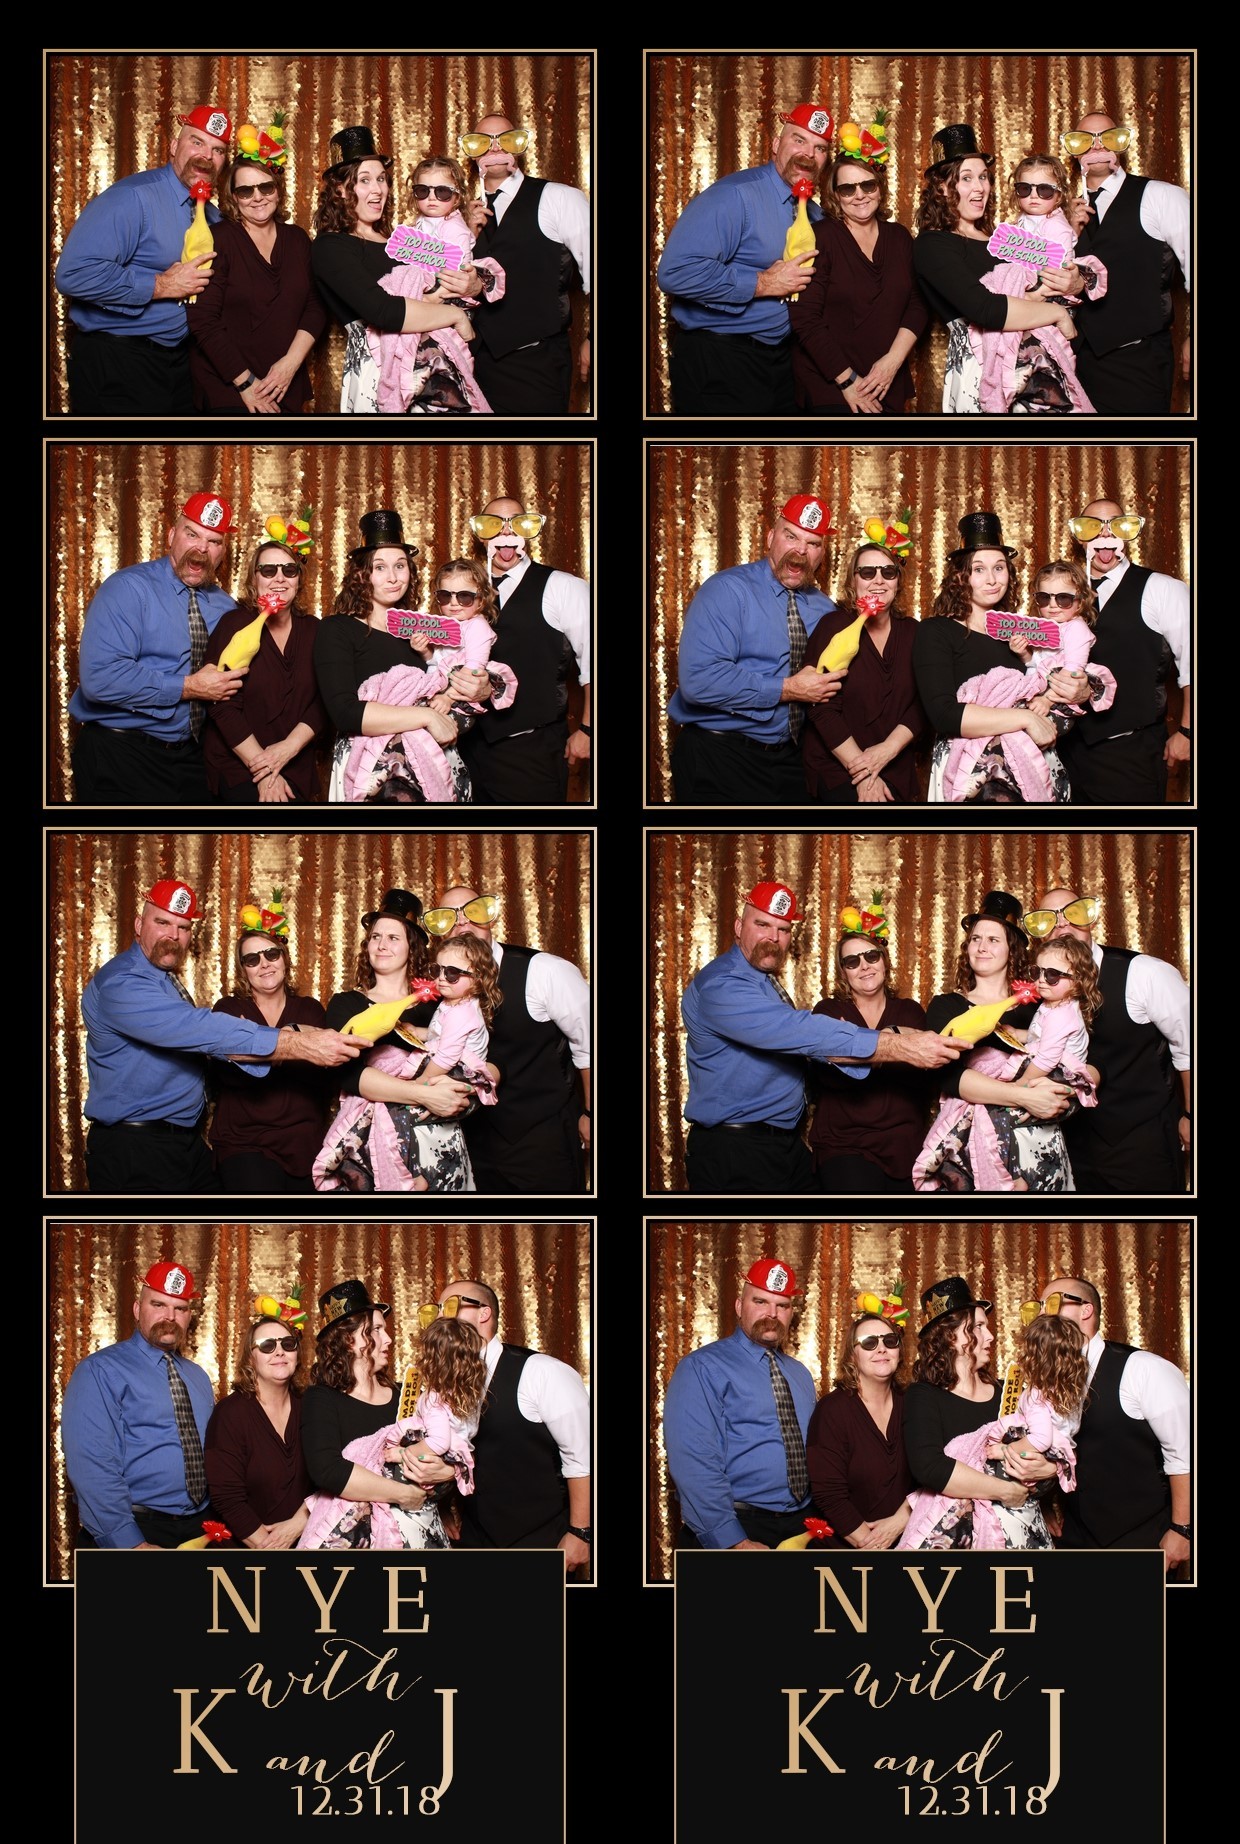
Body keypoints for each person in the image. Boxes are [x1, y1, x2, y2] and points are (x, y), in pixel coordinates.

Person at [81, 877, 362, 1194]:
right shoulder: (123, 982)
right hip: (135, 1146)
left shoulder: (162, 980)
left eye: (183, 927)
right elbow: (199, 1030)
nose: (173, 935)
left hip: (184, 1144)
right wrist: (298, 1042)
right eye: (162, 923)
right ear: (138, 924)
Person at [680, 879, 960, 1195]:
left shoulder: (763, 982)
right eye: (762, 924)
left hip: (783, 1147)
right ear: (737, 926)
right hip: (734, 1149)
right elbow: (798, 1032)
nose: (773, 937)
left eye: (783, 929)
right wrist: (900, 1044)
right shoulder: (723, 984)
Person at [69, 490, 247, 805]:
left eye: (214, 541)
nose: (201, 548)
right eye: (192, 534)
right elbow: (99, 678)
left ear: (223, 550)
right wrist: (190, 687)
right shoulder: (127, 589)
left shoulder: (225, 608)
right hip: (120, 755)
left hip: (191, 760)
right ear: (171, 535)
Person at [668, 493, 846, 806]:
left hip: (791, 762)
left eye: (813, 543)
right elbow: (698, 680)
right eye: (791, 536)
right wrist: (789, 689)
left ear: (821, 552)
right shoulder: (727, 590)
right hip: (719, 757)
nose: (800, 550)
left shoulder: (825, 610)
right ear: (770, 537)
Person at [54, 103, 230, 415]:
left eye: (218, 150)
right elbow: (73, 274)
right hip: (118, 361)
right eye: (197, 142)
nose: (206, 156)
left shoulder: (213, 217)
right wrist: (161, 285)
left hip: (179, 365)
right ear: (174, 146)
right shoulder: (133, 197)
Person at [657, 104, 832, 414]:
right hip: (721, 359)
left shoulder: (815, 214)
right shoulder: (735, 195)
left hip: (782, 363)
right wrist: (763, 283)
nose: (809, 154)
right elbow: (676, 272)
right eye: (799, 140)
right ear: (776, 144)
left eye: (820, 148)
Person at [426, 885, 591, 1193]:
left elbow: (590, 1047)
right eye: (448, 918)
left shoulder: (544, 971)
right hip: (471, 1143)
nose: (462, 923)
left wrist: (591, 1114)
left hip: (541, 1139)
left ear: (489, 916)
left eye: (473, 911)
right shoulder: (442, 981)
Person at [314, 508, 487, 801]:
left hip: (434, 763)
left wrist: (481, 686)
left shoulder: (421, 632)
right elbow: (345, 713)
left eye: (400, 565)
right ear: (361, 573)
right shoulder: (337, 629)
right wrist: (426, 717)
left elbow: (454, 678)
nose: (393, 577)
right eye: (380, 567)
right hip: (373, 773)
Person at [1026, 887, 1190, 1194]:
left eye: (1072, 913)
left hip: (1141, 1140)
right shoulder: (1043, 983)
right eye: (1048, 919)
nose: (1062, 924)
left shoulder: (1144, 973)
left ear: (1089, 918)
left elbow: (1189, 1048)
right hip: (1074, 1144)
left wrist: (1191, 1115)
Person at [316, 888, 479, 1193]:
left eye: (393, 938)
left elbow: (472, 1062)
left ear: (411, 947)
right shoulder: (346, 1003)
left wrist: (462, 1094)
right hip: (374, 1144)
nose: (382, 945)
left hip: (440, 1142)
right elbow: (349, 1075)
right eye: (376, 937)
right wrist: (424, 1094)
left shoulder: (438, 1004)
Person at [911, 124, 1080, 413]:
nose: (979, 187)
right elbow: (984, 309)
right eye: (966, 178)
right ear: (942, 187)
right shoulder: (932, 244)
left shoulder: (1000, 238)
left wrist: (1072, 271)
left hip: (1038, 369)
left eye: (983, 177)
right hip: (982, 373)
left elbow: (1051, 269)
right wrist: (1057, 313)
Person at [309, 125, 478, 413]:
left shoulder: (398, 241)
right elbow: (383, 311)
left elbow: (450, 271)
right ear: (340, 189)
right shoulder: (330, 246)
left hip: (436, 370)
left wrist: (469, 258)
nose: (377, 189)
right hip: (381, 374)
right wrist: (455, 315)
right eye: (364, 180)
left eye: (381, 179)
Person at [428, 1277, 592, 1568]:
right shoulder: (445, 1382)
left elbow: (583, 1459)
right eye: (437, 1309)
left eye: (451, 1306)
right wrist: (441, 1508)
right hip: (475, 1539)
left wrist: (580, 1533)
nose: (441, 1317)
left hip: (541, 1539)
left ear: (484, 1313)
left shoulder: (542, 1372)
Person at [913, 511, 1075, 802]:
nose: (991, 580)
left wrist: (1077, 685)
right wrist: (1025, 718)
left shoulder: (1020, 633)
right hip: (970, 776)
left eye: (999, 568)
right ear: (960, 576)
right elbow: (944, 715)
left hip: (1031, 767)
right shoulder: (935, 631)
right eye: (979, 569)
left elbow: (1048, 683)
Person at [920, 890, 1075, 1191]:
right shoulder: (946, 1006)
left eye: (993, 940)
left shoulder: (1038, 1007)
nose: (982, 947)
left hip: (1039, 1141)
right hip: (972, 1143)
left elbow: (1069, 1061)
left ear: (1011, 949)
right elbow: (949, 1077)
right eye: (976, 939)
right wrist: (1023, 1095)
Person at [900, 1301, 1084, 1550]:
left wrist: (1050, 1469)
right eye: (978, 1326)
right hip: (961, 1539)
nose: (990, 1336)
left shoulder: (1010, 1392)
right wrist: (1005, 1491)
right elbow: (930, 1468)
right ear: (950, 1336)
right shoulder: (924, 1395)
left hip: (1019, 1534)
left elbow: (1051, 1446)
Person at [1037, 1276, 1191, 1571]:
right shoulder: (1048, 1379)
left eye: (1054, 1303)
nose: (1044, 1314)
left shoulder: (1144, 1369)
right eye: (1039, 1306)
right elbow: (1052, 1451)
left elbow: (1185, 1454)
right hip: (1077, 1536)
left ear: (1086, 1310)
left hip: (1143, 1535)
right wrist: (1043, 1505)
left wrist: (1183, 1530)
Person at [338, 556, 517, 803]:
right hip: (439, 698)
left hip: (460, 705)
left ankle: (382, 772)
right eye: (445, 596)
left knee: (414, 741)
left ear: (482, 599)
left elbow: (471, 673)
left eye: (464, 597)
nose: (453, 603)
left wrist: (448, 697)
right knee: (410, 738)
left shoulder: (477, 628)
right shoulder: (443, 626)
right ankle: (384, 772)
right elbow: (438, 667)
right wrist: (425, 653)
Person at [935, 557, 1114, 804]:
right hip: (1032, 706)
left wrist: (1048, 699)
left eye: (1063, 599)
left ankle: (986, 775)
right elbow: (1038, 669)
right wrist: (1025, 655)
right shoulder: (1036, 628)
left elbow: (1070, 675)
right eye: (1044, 598)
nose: (1053, 605)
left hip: (1055, 711)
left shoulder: (1075, 629)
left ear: (1080, 601)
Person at [665, 1256, 816, 1548]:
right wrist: (734, 1541)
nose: (772, 1313)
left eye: (782, 1305)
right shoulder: (702, 1367)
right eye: (760, 1301)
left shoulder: (800, 1374)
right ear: (738, 1306)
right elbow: (695, 1462)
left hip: (799, 1525)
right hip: (738, 1524)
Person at [62, 1260, 215, 1548]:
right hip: (137, 1527)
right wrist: (130, 1543)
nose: (170, 1316)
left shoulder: (198, 1377)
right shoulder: (100, 1370)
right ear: (137, 1309)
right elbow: (92, 1465)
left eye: (180, 1308)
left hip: (198, 1527)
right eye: (158, 1304)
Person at [300, 1314, 486, 1549]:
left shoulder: (408, 1394)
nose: (388, 1339)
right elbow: (328, 1471)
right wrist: (403, 1494)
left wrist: (448, 1472)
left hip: (420, 1533)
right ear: (348, 1340)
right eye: (376, 1329)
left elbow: (453, 1446)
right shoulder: (322, 1398)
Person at [186, 115, 327, 413]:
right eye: (246, 191)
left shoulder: (297, 239)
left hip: (284, 382)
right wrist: (246, 384)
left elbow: (316, 306)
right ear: (233, 197)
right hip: (229, 386)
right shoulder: (218, 239)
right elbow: (202, 320)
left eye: (266, 187)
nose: (257, 197)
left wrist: (290, 364)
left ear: (278, 189)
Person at [790, 121, 928, 414]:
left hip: (886, 380)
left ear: (879, 187)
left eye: (867, 185)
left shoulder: (900, 237)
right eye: (847, 189)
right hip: (831, 384)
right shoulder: (820, 237)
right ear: (835, 194)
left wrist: (892, 362)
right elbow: (805, 318)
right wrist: (847, 381)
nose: (860, 195)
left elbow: (918, 303)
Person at [1059, 500, 1191, 805]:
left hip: (1131, 752)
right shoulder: (1063, 592)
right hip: (1065, 750)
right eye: (1094, 527)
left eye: (1116, 525)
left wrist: (1188, 732)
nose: (1105, 535)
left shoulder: (1163, 589)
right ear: (1080, 536)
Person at [461, 498, 591, 803]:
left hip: (532, 749)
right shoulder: (464, 589)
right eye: (495, 525)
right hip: (466, 747)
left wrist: (589, 729)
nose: (506, 533)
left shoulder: (564, 587)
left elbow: (593, 665)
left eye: (517, 524)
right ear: (482, 534)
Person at [462, 112, 592, 415]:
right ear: (472, 152)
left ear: (519, 146)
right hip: (471, 365)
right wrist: (464, 235)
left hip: (536, 362)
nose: (495, 147)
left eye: (505, 139)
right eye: (483, 141)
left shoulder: (560, 198)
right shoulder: (459, 215)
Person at [1063, 112, 1191, 415]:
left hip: (1138, 361)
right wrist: (1066, 232)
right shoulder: (1061, 213)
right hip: (1074, 365)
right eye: (1085, 140)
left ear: (1121, 144)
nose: (1097, 146)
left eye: (1107, 137)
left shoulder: (1162, 196)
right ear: (1074, 151)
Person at [808, 897, 930, 1192]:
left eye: (871, 956)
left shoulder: (910, 1011)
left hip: (906, 1144)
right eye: (852, 961)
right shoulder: (827, 1010)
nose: (864, 966)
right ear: (843, 972)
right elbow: (828, 1076)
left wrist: (863, 1046)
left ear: (884, 960)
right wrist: (896, 1044)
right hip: (844, 1144)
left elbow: (921, 1077)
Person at [202, 513, 327, 801]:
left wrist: (288, 749)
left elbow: (325, 701)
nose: (279, 578)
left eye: (289, 570)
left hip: (295, 764)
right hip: (240, 765)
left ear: (299, 579)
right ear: (254, 579)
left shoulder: (315, 630)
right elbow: (221, 706)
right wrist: (265, 770)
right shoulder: (234, 625)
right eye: (268, 570)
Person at [210, 896, 330, 1192]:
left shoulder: (310, 1009)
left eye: (271, 954)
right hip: (244, 1142)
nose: (264, 964)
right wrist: (296, 1043)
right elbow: (228, 1073)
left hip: (306, 1142)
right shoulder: (227, 1008)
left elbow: (322, 1075)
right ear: (244, 969)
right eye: (252, 959)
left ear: (284, 958)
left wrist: (263, 1043)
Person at [802, 515, 925, 802]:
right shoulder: (833, 627)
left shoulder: (915, 632)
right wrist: (864, 773)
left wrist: (888, 750)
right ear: (853, 580)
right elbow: (821, 709)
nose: (878, 580)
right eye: (868, 572)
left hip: (895, 766)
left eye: (888, 572)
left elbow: (924, 703)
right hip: (839, 767)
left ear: (898, 581)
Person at [971, 152, 1106, 413]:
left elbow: (1058, 275)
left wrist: (1029, 296)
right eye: (1025, 189)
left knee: (1039, 362)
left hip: (1049, 296)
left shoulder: (1057, 227)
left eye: (1044, 190)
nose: (1033, 196)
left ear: (1059, 194)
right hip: (1026, 296)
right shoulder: (1019, 223)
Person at [373, 154, 505, 413]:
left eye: (442, 192)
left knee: (437, 360)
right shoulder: (418, 225)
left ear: (457, 196)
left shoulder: (455, 229)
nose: (431, 198)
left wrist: (424, 295)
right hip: (426, 297)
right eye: (423, 191)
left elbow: (454, 276)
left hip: (448, 296)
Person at [806, 1298, 914, 1549]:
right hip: (847, 1547)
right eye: (869, 1343)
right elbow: (829, 1496)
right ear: (852, 1356)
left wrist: (901, 1522)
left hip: (909, 1541)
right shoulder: (832, 1411)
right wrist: (872, 1545)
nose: (881, 1349)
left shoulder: (914, 1403)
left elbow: (931, 1476)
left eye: (890, 1341)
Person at [203, 1300, 313, 1549]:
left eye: (287, 1344)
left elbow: (328, 1480)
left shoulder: (312, 1406)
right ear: (250, 1359)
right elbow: (227, 1499)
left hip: (307, 1543)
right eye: (267, 1345)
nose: (279, 1351)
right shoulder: (230, 1414)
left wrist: (299, 1525)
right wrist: (271, 1548)